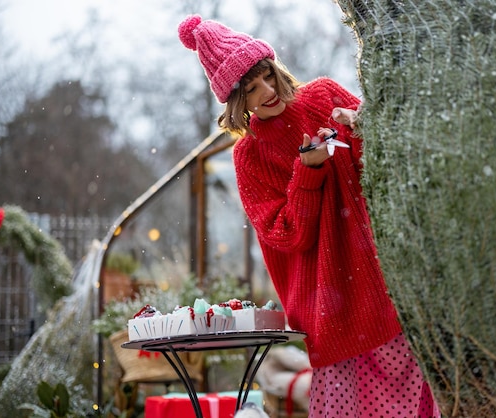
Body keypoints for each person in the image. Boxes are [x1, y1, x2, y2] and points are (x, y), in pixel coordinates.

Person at [178, 15, 441, 417]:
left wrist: (363, 125)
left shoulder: (322, 96)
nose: (267, 91)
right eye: (251, 89)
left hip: (384, 283)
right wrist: (309, 171)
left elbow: (387, 163)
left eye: (267, 76)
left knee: (414, 399)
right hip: (330, 306)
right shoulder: (248, 157)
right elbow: (285, 235)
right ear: (237, 103)